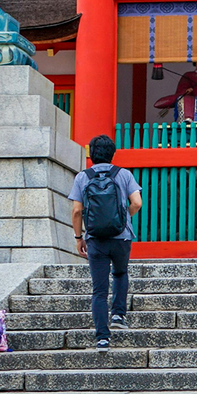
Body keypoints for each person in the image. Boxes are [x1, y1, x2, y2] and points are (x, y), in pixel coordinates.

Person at [69, 134, 143, 350]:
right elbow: (137, 203)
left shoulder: (83, 177)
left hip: (96, 239)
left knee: (99, 290)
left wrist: (78, 237)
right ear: (112, 154)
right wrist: (124, 217)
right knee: (120, 273)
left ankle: (102, 338)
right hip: (121, 237)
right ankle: (118, 315)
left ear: (91, 154)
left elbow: (76, 211)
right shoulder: (124, 174)